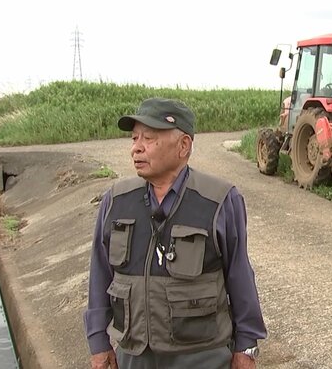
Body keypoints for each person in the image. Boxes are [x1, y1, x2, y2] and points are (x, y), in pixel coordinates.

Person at [83, 97, 267, 369]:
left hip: (202, 356)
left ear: (184, 146)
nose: (137, 148)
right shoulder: (116, 200)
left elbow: (239, 274)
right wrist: (98, 341)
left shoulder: (219, 199)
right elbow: (100, 273)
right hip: (134, 355)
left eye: (149, 138)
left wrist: (246, 346)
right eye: (134, 139)